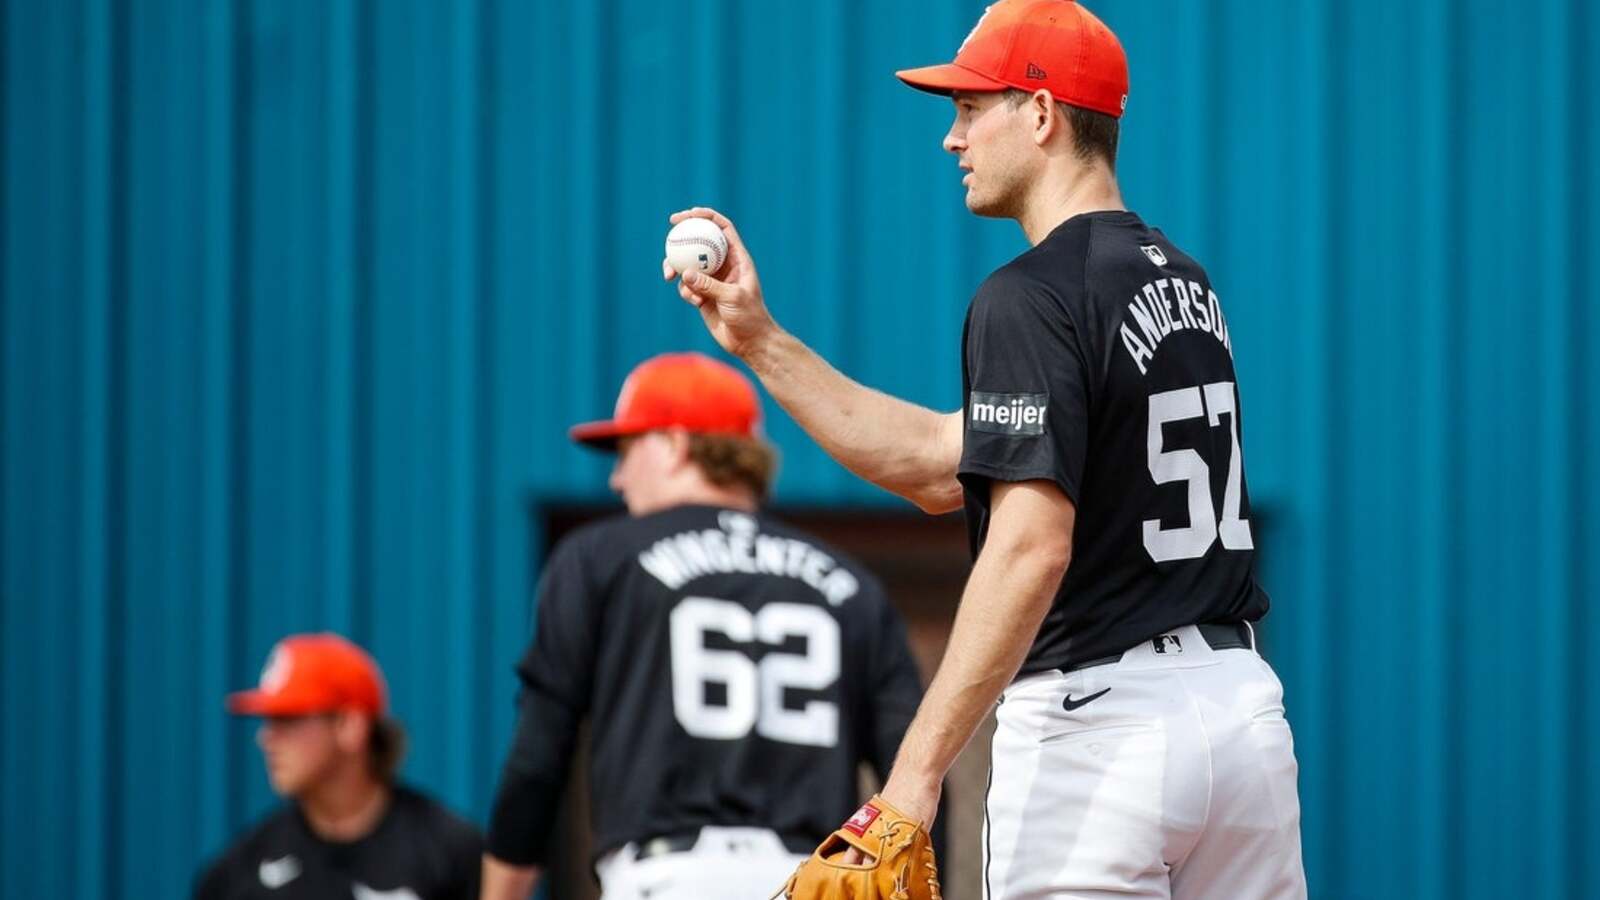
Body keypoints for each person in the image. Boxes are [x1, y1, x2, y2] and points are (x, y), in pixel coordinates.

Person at [662, 1, 1308, 897]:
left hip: (1102, 732)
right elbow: (941, 463)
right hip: (1240, 716)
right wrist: (760, 340)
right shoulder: (1183, 281)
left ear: (1040, 114)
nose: (952, 137)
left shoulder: (1032, 293)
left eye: (971, 108)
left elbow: (1031, 545)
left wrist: (912, 779)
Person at [480, 351, 926, 900]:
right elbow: (913, 763)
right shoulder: (852, 584)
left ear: (674, 444)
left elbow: (538, 756)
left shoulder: (599, 557)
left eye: (627, 451)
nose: (617, 478)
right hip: (812, 880)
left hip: (670, 876)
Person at [194, 633, 483, 900]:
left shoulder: (451, 854)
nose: (266, 738)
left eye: (287, 719)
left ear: (349, 726)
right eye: (268, 722)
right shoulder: (237, 875)